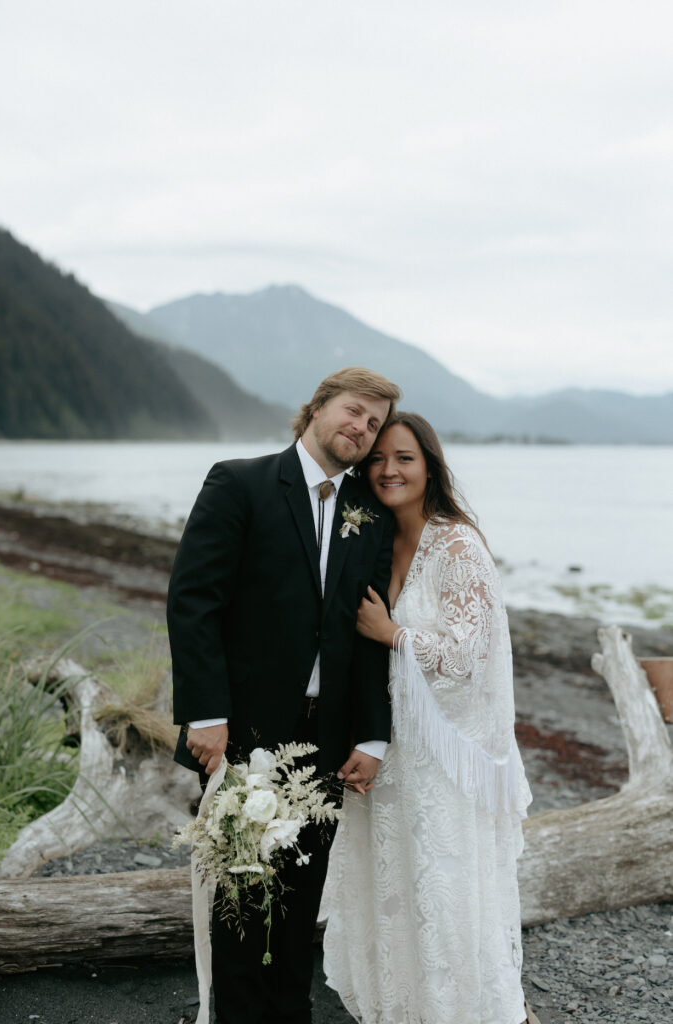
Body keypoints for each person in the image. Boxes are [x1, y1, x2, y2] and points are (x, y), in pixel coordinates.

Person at [166, 366, 401, 1024]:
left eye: (374, 423)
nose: (361, 428)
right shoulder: (238, 482)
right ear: (318, 408)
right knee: (240, 901)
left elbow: (365, 633)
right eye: (354, 412)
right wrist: (205, 714)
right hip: (242, 734)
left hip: (325, 739)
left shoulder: (369, 515)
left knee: (300, 904)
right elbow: (194, 603)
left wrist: (372, 734)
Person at [322, 412, 536, 1024]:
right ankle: (398, 1007)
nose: (389, 470)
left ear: (430, 466)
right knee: (390, 884)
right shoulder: (375, 538)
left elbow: (469, 656)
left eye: (405, 458)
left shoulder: (457, 545)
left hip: (442, 754)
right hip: (388, 747)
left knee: (439, 887)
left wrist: (394, 634)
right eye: (379, 459)